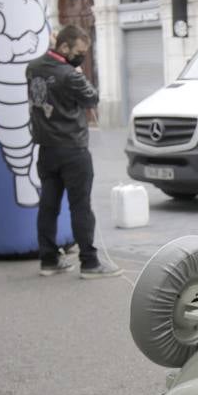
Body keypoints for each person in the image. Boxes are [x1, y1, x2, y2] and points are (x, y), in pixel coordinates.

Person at [26, 24, 120, 278]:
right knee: (80, 207)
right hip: (73, 149)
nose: (81, 57)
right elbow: (92, 98)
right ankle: (90, 263)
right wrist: (77, 70)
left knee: (48, 205)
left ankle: (48, 260)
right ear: (64, 47)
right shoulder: (71, 75)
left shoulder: (33, 67)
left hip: (46, 149)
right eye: (79, 52)